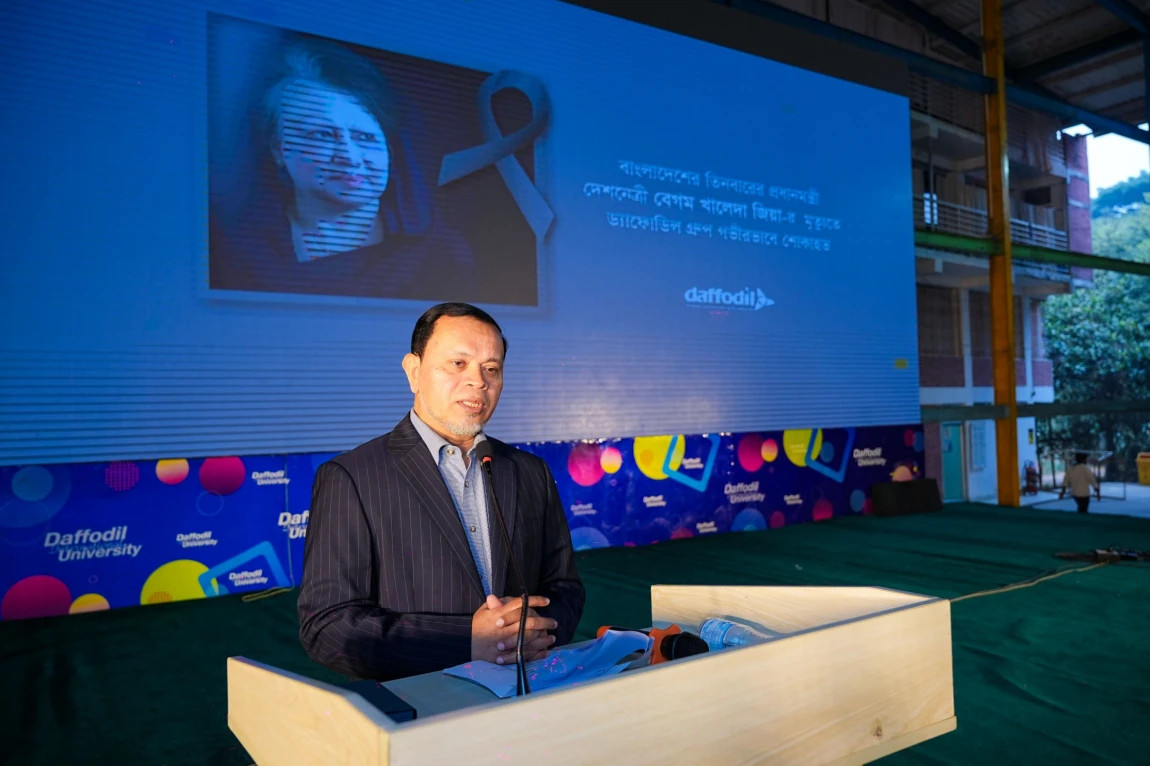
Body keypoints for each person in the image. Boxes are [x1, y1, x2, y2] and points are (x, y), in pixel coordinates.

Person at [298, 303, 585, 680]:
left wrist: (532, 634)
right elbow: (328, 627)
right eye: (457, 363)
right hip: (422, 702)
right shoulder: (352, 477)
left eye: (491, 368)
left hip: (527, 690)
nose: (478, 381)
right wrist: (467, 641)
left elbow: (564, 587)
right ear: (414, 371)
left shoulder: (530, 472)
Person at [209, 36, 475, 300]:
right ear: (279, 150)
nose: (349, 157)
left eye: (365, 137)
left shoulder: (442, 255)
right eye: (322, 135)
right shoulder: (233, 251)